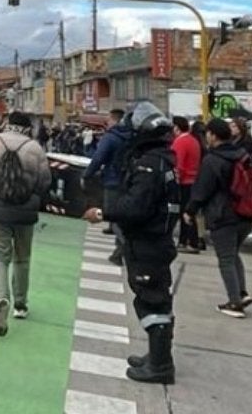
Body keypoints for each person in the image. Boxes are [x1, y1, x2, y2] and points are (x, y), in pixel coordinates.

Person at [83, 101, 179, 385]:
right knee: (152, 297)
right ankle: (157, 357)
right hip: (154, 240)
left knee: (152, 301)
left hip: (147, 241)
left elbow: (136, 207)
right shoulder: (163, 160)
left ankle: (161, 365)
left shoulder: (149, 166)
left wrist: (103, 213)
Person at [0, 111, 51, 336]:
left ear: (8, 124)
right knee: (22, 257)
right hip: (24, 210)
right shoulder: (35, 148)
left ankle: (2, 298)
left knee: (0, 256)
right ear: (27, 127)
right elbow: (45, 181)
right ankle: (20, 304)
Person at [184, 118, 252, 319]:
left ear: (213, 135)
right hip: (246, 213)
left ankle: (234, 302)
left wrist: (190, 210)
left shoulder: (213, 160)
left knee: (225, 258)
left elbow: (202, 190)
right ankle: (241, 293)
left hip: (223, 214)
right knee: (233, 254)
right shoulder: (242, 155)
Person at [84, 109, 132, 264]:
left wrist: (86, 175)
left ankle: (126, 247)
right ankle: (118, 253)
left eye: (108, 120)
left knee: (114, 215)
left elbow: (98, 158)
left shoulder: (111, 137)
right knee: (121, 215)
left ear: (114, 120)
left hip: (112, 180)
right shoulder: (131, 136)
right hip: (128, 181)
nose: (107, 123)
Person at [172, 116, 203, 253]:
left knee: (185, 213)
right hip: (193, 180)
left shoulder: (180, 142)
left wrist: (175, 181)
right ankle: (185, 241)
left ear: (176, 128)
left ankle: (190, 241)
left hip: (184, 181)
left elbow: (178, 165)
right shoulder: (193, 141)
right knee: (187, 212)